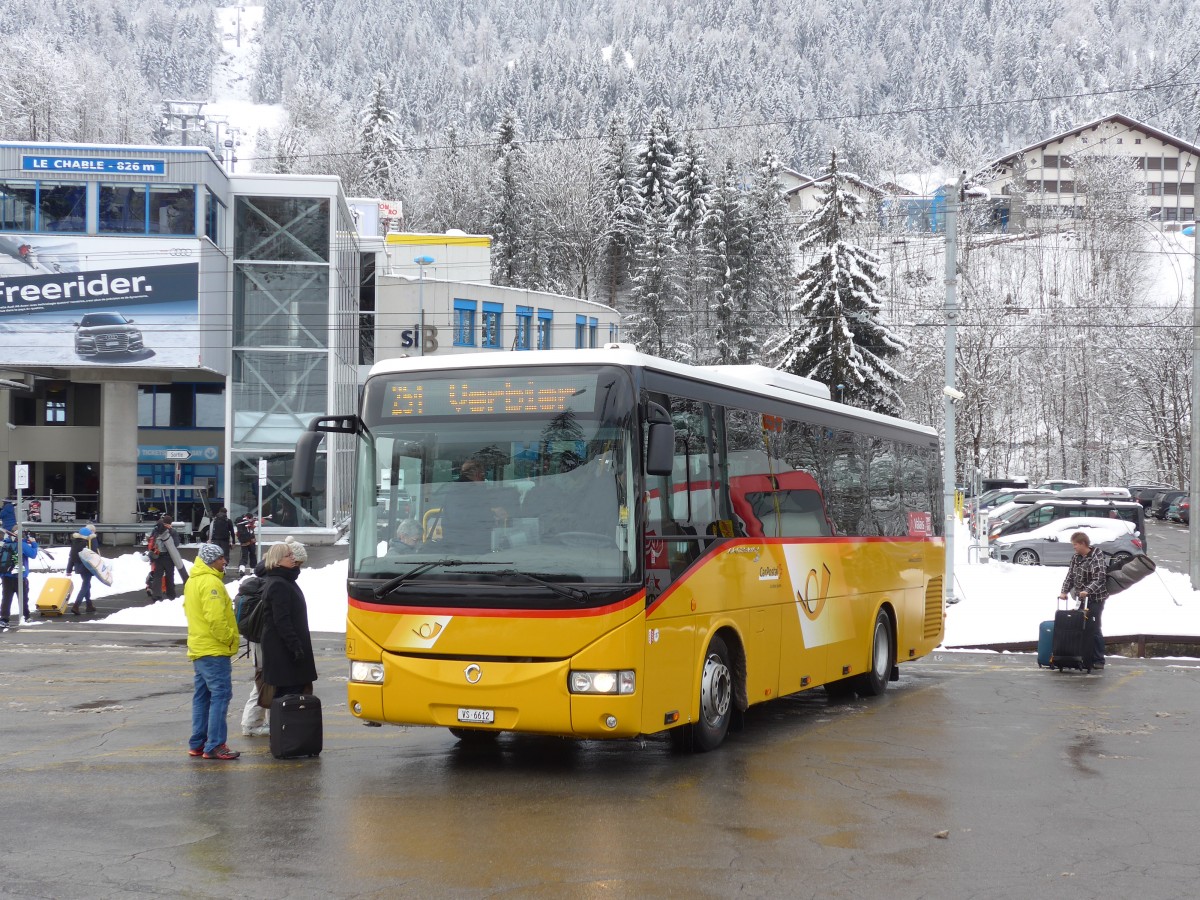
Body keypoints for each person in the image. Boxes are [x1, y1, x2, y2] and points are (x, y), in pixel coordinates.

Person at [183, 543, 240, 760]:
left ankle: (198, 743)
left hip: (199, 647)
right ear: (210, 561)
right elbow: (215, 618)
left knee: (202, 696)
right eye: (220, 559)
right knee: (220, 695)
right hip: (213, 649)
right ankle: (215, 745)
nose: (224, 562)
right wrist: (228, 639)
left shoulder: (194, 580)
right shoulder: (211, 583)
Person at [260, 537, 317, 698]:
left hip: (286, 649)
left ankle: (284, 723)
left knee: (291, 696)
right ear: (277, 561)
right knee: (287, 697)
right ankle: (282, 724)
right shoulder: (279, 584)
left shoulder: (285, 580)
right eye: (288, 556)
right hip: (284, 651)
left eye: (292, 555)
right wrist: (295, 647)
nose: (293, 558)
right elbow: (282, 620)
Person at [1059, 531, 1109, 669]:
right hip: (1081, 599)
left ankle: (1098, 659)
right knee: (1080, 626)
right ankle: (1084, 656)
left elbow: (1099, 578)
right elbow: (1070, 576)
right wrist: (1064, 591)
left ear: (1082, 544)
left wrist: (1088, 590)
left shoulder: (1096, 556)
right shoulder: (1076, 558)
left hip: (1095, 598)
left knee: (1094, 627)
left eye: (1075, 544)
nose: (1073, 547)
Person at [235, 572, 270, 737]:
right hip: (262, 643)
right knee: (262, 683)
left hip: (257, 641)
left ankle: (261, 722)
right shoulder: (267, 587)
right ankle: (250, 724)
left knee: (264, 682)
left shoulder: (259, 586)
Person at [1, 531, 38, 626]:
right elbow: (33, 554)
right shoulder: (22, 545)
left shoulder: (5, 544)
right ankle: (26, 616)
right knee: (23, 598)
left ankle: (4, 619)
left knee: (6, 599)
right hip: (19, 576)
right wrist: (33, 543)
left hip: (6, 576)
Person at [147, 515, 187, 600]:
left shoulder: (156, 530)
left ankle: (156, 595)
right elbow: (176, 544)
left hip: (158, 556)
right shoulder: (172, 531)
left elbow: (151, 540)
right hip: (169, 557)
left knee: (158, 576)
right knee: (170, 576)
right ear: (171, 523)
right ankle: (171, 594)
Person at [65, 525, 97, 615]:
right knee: (86, 585)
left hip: (78, 567)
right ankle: (76, 605)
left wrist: (69, 569)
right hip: (87, 567)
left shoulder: (75, 543)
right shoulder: (89, 542)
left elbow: (71, 557)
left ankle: (89, 605)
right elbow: (94, 553)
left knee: (87, 584)